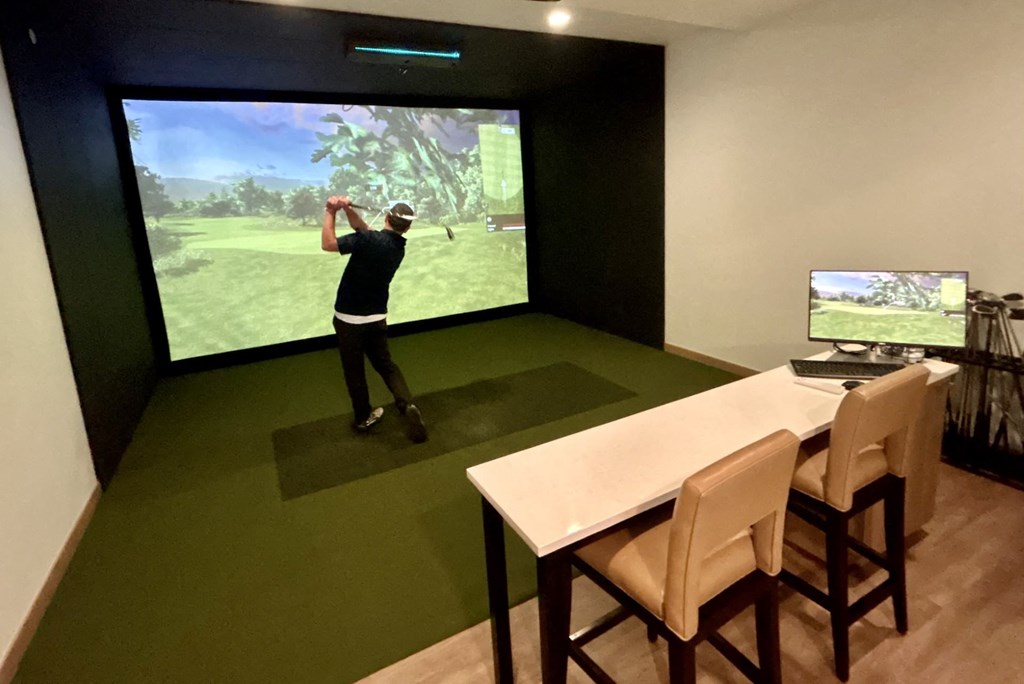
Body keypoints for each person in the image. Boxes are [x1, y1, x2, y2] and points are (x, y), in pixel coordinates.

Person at [322, 195, 427, 443]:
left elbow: (328, 244)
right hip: (377, 318)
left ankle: (363, 418)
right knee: (386, 365)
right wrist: (347, 209)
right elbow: (364, 230)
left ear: (387, 218)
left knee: (354, 370)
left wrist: (330, 211)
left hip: (348, 320)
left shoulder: (369, 240)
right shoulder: (397, 247)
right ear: (407, 227)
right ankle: (406, 404)